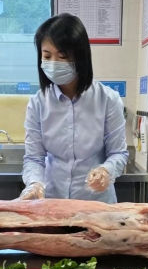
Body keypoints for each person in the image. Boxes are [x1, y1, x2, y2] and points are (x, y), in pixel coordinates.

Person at [20, 13, 129, 203]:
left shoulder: (108, 100)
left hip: (96, 202)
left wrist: (106, 171)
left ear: (80, 57)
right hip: (53, 201)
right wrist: (35, 183)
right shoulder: (38, 103)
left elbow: (118, 153)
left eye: (62, 56)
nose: (53, 63)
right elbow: (34, 158)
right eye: (47, 56)